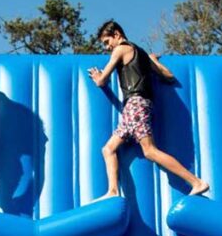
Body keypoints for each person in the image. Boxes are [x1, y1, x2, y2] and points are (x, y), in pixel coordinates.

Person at [88, 20, 209, 199]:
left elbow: (102, 81)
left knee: (150, 151)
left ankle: (196, 182)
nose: (107, 47)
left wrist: (98, 76)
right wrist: (153, 61)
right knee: (108, 149)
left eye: (107, 42)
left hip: (135, 104)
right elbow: (168, 76)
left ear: (117, 35)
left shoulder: (120, 49)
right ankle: (113, 191)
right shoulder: (142, 55)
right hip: (137, 107)